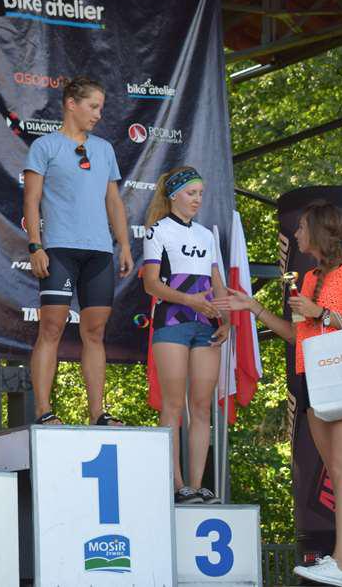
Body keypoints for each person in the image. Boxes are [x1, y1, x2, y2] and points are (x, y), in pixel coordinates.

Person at [215, 200, 342, 587]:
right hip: (311, 379)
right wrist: (252, 306)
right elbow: (295, 336)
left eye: (302, 227)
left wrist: (321, 313)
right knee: (338, 474)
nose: (297, 233)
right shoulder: (309, 278)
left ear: (319, 230)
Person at [23, 76, 134, 427]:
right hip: (58, 248)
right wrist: (35, 245)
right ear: (71, 104)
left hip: (99, 251)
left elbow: (113, 200)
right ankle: (43, 410)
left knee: (95, 332)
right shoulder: (45, 146)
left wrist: (124, 244)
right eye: (93, 106)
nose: (98, 114)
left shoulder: (104, 149)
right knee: (51, 328)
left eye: (101, 107)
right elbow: (31, 200)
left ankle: (98, 412)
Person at [141, 167, 229, 505]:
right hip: (173, 320)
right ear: (174, 195)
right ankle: (177, 484)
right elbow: (151, 284)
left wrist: (226, 319)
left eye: (201, 194)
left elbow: (217, 281)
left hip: (206, 323)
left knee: (202, 406)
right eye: (192, 193)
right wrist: (190, 301)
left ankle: (197, 483)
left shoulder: (207, 235)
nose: (197, 200)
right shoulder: (157, 231)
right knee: (173, 404)